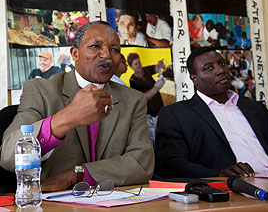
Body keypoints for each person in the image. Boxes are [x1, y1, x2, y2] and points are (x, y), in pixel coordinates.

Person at [0, 21, 154, 192]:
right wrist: (67, 118)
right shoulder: (41, 91)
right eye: (95, 46)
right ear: (75, 53)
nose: (107, 55)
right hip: (55, 204)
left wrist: (76, 174)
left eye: (115, 50)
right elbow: (8, 157)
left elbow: (141, 163)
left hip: (114, 201)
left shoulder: (133, 100)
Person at [155, 47, 268, 179]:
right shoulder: (176, 115)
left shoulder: (255, 108)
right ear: (194, 79)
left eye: (222, 63)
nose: (221, 70)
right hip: (234, 191)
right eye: (209, 68)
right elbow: (172, 165)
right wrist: (218, 175)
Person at [127, 53, 165, 141]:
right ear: (131, 67)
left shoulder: (145, 70)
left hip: (159, 106)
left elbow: (156, 68)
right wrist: (155, 89)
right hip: (149, 113)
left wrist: (160, 65)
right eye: (136, 64)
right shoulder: (133, 81)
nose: (139, 65)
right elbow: (141, 98)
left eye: (139, 62)